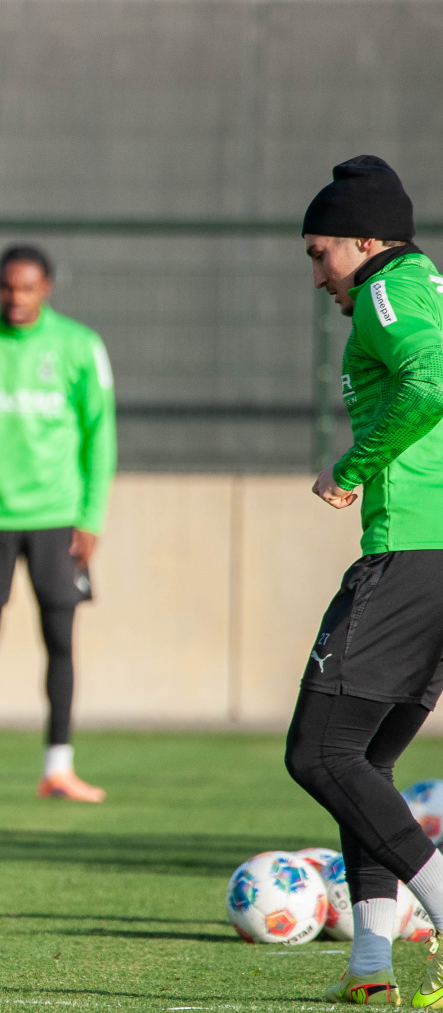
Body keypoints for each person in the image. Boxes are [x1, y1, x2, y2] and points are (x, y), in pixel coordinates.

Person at [284, 155, 443, 1006]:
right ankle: (370, 966)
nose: (319, 276)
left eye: (322, 254)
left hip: (415, 551)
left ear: (368, 242)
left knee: (318, 751)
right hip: (431, 553)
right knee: (366, 763)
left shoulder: (387, 291)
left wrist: (351, 464)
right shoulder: (423, 288)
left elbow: (433, 379)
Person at [0, 244, 115, 805]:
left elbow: (100, 433)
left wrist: (90, 515)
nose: (16, 297)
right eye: (7, 287)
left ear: (46, 289)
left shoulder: (79, 346)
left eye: (27, 287)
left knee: (59, 640)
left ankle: (58, 768)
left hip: (58, 518)